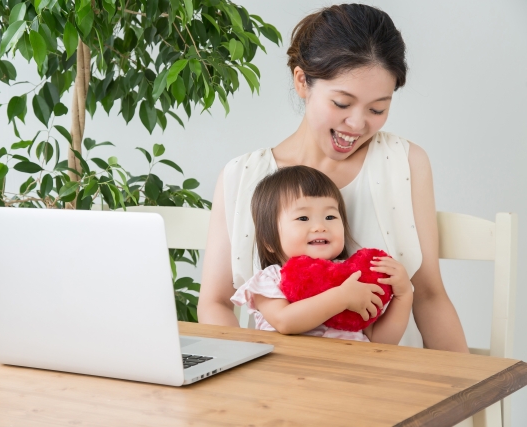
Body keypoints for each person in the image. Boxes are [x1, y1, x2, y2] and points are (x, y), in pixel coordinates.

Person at [197, 3, 469, 352]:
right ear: (302, 82)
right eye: (342, 103)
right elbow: (216, 302)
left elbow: (429, 296)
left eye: (377, 109)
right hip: (274, 389)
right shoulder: (242, 175)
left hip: (391, 385)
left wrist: (469, 397)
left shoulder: (404, 163)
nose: (357, 124)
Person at [230, 166, 413, 344]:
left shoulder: (352, 277)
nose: (320, 226)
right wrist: (342, 297)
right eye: (303, 218)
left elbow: (380, 342)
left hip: (350, 370)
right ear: (268, 241)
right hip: (289, 371)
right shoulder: (269, 280)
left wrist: (403, 295)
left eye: (330, 217)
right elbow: (284, 321)